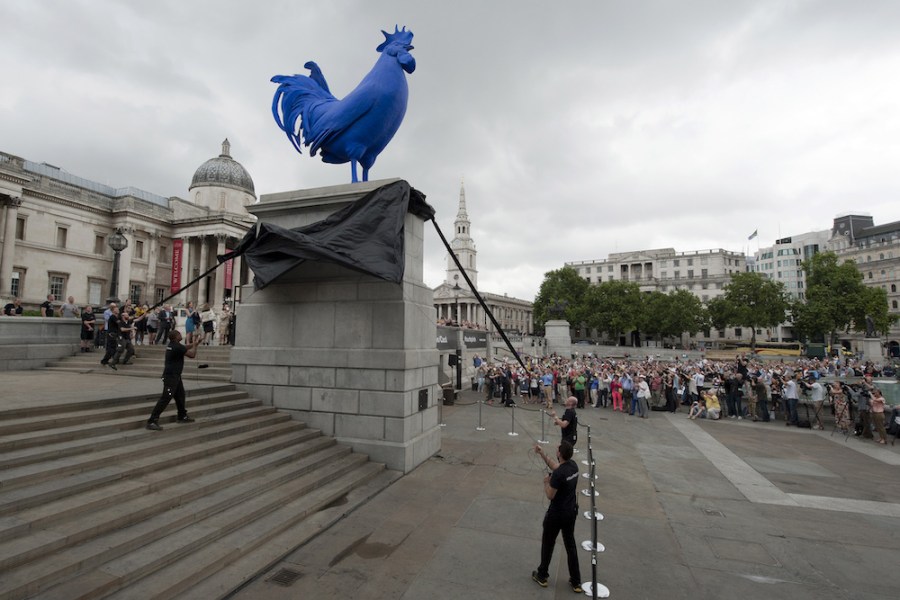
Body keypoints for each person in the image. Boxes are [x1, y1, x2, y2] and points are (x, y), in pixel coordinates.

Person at [531, 441, 582, 593]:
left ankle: (542, 575)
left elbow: (550, 495)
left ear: (560, 454)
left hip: (557, 514)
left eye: (557, 450)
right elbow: (556, 466)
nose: (556, 451)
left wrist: (546, 483)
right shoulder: (573, 466)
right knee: (570, 545)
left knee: (548, 543)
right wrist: (541, 453)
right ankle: (576, 581)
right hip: (570, 513)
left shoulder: (559, 474)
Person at [146, 330, 200, 430]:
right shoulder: (177, 346)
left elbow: (185, 348)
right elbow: (192, 355)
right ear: (176, 337)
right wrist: (195, 346)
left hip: (175, 376)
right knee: (166, 398)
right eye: (179, 334)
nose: (181, 335)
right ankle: (152, 420)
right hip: (171, 377)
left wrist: (194, 343)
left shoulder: (172, 345)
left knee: (180, 396)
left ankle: (182, 415)